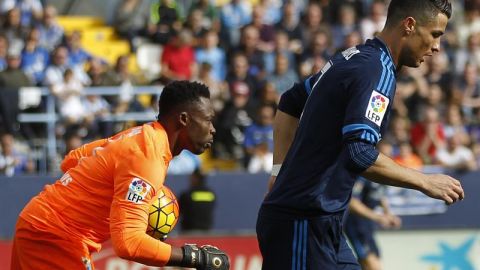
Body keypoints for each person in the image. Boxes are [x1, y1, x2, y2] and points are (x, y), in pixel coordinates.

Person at [256, 1, 464, 269]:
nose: (436, 47)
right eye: (435, 34)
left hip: (323, 220)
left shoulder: (352, 57)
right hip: (302, 221)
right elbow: (359, 153)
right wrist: (424, 182)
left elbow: (290, 102)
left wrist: (278, 172)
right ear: (410, 25)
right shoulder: (375, 70)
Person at [11, 81, 230, 269]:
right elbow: (129, 243)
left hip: (39, 225)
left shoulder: (139, 134)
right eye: (208, 119)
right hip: (54, 237)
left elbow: (72, 159)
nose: (212, 129)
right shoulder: (147, 158)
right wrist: (195, 257)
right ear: (184, 119)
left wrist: (108, 192)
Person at [345, 177, 401, 270]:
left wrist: (388, 214)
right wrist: (378, 217)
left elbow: (381, 196)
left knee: (375, 259)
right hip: (355, 223)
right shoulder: (363, 177)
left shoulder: (382, 177)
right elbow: (352, 202)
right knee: (372, 264)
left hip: (367, 224)